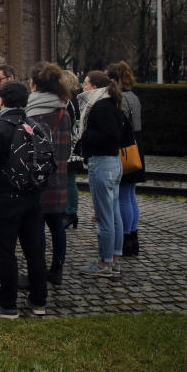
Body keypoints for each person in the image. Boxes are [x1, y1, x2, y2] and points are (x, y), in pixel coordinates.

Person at [0, 81, 49, 319]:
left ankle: (6, 303)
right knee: (34, 249)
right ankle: (38, 300)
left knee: (5, 250)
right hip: (34, 197)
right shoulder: (35, 126)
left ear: (1, 101)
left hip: (6, 196)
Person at [25, 62, 72, 287]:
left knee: (37, 226)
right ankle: (58, 269)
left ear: (35, 84)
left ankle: (39, 270)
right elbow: (67, 147)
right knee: (57, 226)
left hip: (37, 178)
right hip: (59, 175)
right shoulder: (64, 111)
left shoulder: (32, 114)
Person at [77, 70, 128, 278]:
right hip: (113, 162)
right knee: (114, 215)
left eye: (86, 83)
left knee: (105, 217)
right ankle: (114, 258)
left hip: (102, 162)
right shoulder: (111, 103)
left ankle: (104, 262)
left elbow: (111, 135)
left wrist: (86, 136)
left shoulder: (100, 106)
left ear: (95, 87)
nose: (83, 86)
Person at [108, 61, 144, 256]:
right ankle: (132, 236)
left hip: (126, 149)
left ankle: (125, 238)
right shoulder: (134, 97)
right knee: (130, 196)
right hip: (136, 147)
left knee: (123, 196)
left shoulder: (122, 99)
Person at [60, 70, 82, 229]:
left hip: (69, 146)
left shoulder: (70, 102)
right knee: (67, 180)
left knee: (69, 180)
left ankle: (71, 212)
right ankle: (69, 211)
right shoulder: (71, 100)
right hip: (69, 144)